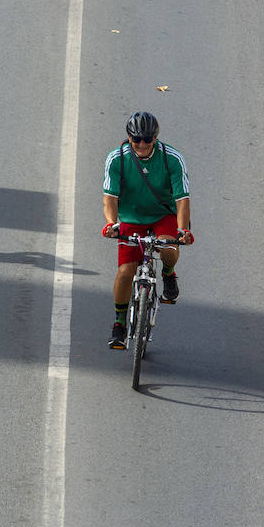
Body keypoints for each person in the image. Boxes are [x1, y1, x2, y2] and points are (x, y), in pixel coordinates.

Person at [102, 111, 192, 350]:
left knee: (169, 248)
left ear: (156, 138)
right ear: (129, 137)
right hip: (131, 217)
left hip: (163, 215)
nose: (141, 144)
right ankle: (119, 324)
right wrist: (111, 224)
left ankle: (168, 274)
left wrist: (182, 230)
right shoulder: (117, 159)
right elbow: (109, 198)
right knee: (125, 272)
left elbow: (182, 199)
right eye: (136, 139)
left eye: (147, 139)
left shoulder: (172, 159)